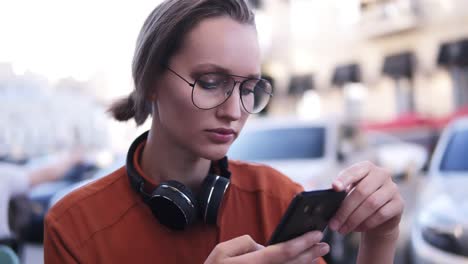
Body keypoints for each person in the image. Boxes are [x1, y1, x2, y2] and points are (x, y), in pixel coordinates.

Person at [44, 1, 404, 263]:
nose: (234, 111)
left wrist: (380, 239)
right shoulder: (75, 226)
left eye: (249, 88)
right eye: (211, 82)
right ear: (151, 81)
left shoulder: (277, 199)